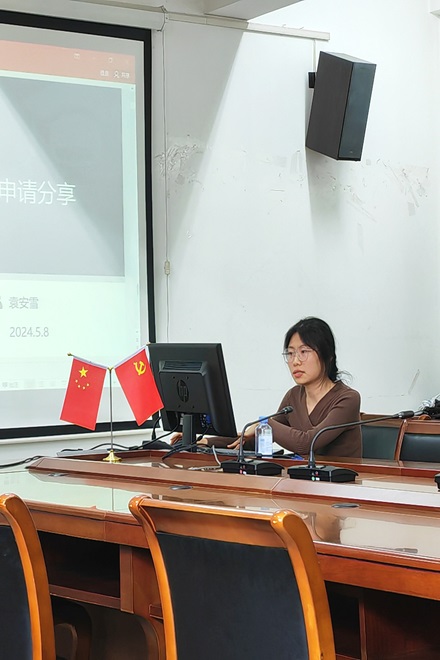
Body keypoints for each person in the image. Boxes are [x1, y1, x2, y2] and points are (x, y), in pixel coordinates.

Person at [227, 317, 362, 458]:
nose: (295, 361)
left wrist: (265, 424)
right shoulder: (294, 395)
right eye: (290, 354)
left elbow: (307, 443)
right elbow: (260, 438)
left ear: (327, 355)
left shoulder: (348, 398)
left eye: (304, 352)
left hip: (340, 473)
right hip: (301, 472)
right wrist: (215, 440)